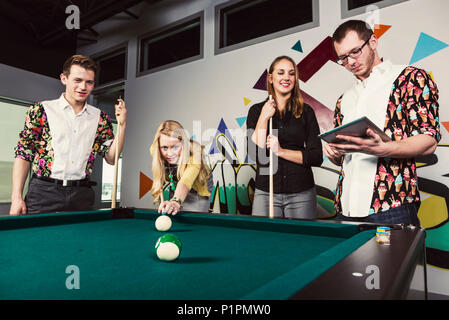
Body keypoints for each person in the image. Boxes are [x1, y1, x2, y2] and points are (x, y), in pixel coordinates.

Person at [324, 20, 441, 226]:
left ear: (373, 42)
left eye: (355, 52)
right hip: (346, 207)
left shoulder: (410, 78)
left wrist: (385, 148)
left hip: (393, 206)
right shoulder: (344, 99)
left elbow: (429, 139)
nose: (351, 62)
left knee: (398, 260)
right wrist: (335, 154)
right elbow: (345, 160)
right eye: (343, 58)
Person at [10, 54, 127, 215]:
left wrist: (122, 125)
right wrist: (16, 197)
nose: (83, 87)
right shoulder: (40, 110)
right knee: (39, 240)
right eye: (77, 80)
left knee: (80, 240)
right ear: (64, 78)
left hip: (82, 194)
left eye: (89, 82)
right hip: (44, 192)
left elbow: (112, 158)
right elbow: (24, 154)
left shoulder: (100, 118)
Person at [246, 55, 323, 219]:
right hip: (266, 192)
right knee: (262, 241)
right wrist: (264, 117)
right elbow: (254, 152)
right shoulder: (256, 111)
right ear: (270, 78)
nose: (286, 77)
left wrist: (281, 151)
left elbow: (316, 156)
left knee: (299, 243)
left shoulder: (306, 111)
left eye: (291, 73)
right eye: (280, 73)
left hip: (301, 193)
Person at [150, 120, 213, 215]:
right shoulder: (155, 151)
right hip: (176, 184)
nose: (170, 154)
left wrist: (176, 201)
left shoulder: (194, 156)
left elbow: (186, 181)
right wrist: (173, 202)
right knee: (173, 212)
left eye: (175, 147)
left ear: (183, 144)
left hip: (198, 187)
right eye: (164, 148)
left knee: (194, 219)